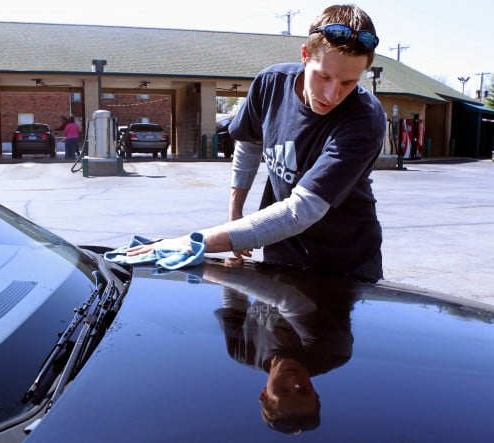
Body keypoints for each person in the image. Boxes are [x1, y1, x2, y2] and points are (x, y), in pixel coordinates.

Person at [127, 4, 385, 282]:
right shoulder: (271, 84)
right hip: (280, 256)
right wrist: (235, 211)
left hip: (344, 269)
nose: (332, 94)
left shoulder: (364, 120)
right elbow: (249, 142)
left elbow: (302, 211)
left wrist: (191, 244)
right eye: (324, 76)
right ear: (305, 55)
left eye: (348, 83)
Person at [206, 259, 356, 434]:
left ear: (264, 394)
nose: (293, 381)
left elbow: (234, 304)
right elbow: (289, 300)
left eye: (283, 391)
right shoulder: (330, 352)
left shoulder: (243, 352)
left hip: (275, 258)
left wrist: (236, 266)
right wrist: (224, 275)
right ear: (316, 394)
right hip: (334, 255)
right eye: (303, 390)